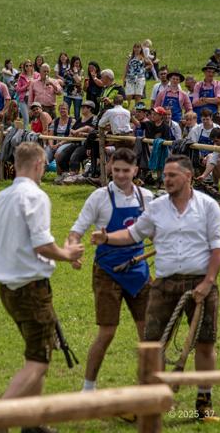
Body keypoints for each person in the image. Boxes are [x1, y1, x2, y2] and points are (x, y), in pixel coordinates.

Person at [90, 154, 220, 420]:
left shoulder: (208, 207)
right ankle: (149, 401)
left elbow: (218, 247)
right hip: (164, 284)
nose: (166, 180)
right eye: (165, 175)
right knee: (152, 345)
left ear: (188, 176)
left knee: (205, 343)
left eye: (172, 175)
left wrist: (208, 282)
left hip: (201, 282)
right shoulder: (156, 207)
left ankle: (204, 402)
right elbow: (133, 234)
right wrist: (107, 237)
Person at [0, 142, 84, 432]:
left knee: (36, 352)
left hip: (7, 289)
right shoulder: (36, 196)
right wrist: (67, 254)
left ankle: (33, 422)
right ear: (39, 164)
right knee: (38, 361)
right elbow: (42, 244)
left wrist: (12, 253)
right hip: (31, 288)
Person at [67, 148, 153, 392]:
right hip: (107, 271)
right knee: (107, 332)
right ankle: (88, 389)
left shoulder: (147, 198)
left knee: (148, 334)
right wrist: (72, 250)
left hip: (139, 270)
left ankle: (148, 388)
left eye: (126, 171)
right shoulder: (99, 197)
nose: (121, 175)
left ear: (136, 170)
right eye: (116, 170)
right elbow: (76, 231)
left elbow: (156, 232)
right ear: (109, 168)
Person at [55, 100, 96, 176]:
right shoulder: (80, 119)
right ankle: (65, 174)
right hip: (76, 143)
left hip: (87, 145)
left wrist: (81, 133)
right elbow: (72, 130)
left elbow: (92, 131)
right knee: (61, 156)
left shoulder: (94, 118)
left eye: (83, 107)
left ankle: (74, 175)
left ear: (90, 108)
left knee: (75, 156)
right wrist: (75, 133)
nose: (81, 109)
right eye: (81, 107)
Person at [123, 43, 152, 108]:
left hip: (140, 79)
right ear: (133, 48)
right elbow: (126, 68)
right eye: (135, 47)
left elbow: (151, 64)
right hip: (130, 78)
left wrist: (144, 69)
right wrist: (124, 78)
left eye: (138, 47)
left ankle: (137, 111)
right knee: (128, 96)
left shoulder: (143, 57)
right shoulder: (131, 57)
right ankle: (126, 111)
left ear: (141, 49)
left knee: (138, 96)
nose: (137, 49)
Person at [16, 60, 40, 128]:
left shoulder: (37, 75)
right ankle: (25, 132)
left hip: (34, 99)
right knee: (26, 119)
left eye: (30, 65)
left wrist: (32, 85)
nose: (28, 67)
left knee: (36, 118)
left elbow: (39, 85)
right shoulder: (21, 77)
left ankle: (34, 131)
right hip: (23, 99)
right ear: (24, 67)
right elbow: (18, 89)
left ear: (32, 66)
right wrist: (26, 86)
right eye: (26, 66)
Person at [62, 56, 84, 121]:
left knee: (77, 113)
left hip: (78, 95)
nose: (77, 64)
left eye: (78, 63)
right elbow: (67, 83)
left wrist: (75, 72)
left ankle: (77, 125)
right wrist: (76, 81)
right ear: (72, 63)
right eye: (76, 63)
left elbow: (78, 81)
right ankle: (66, 124)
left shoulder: (81, 71)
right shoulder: (67, 71)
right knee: (66, 112)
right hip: (68, 94)